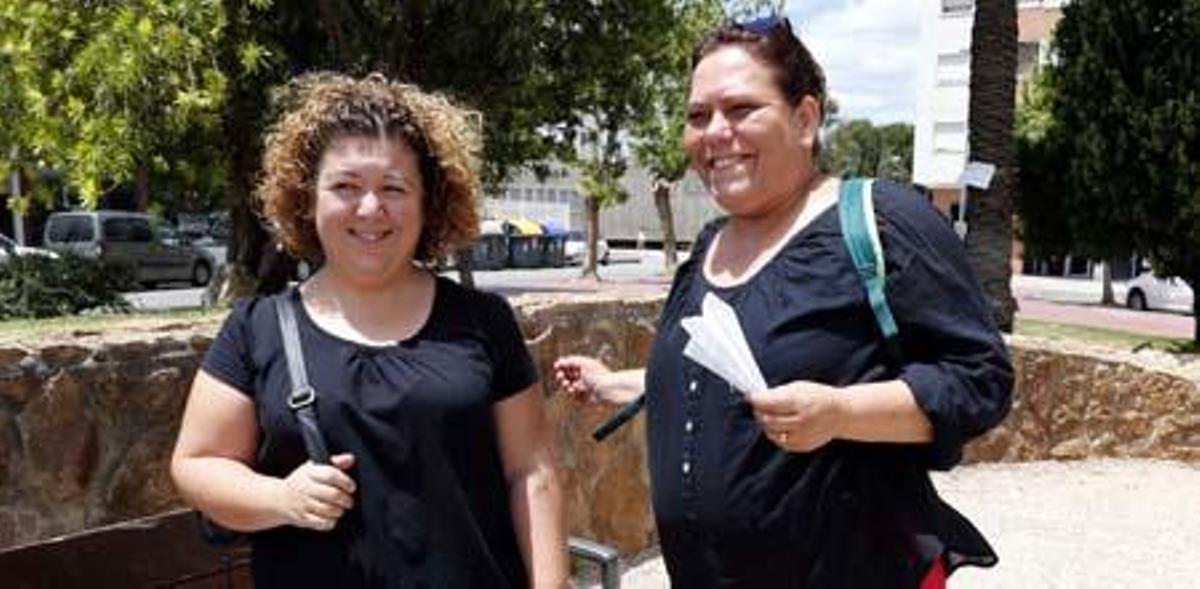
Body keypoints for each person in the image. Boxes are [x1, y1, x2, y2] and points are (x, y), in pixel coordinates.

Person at [554, 17, 1012, 588]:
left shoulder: (882, 221)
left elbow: (980, 381)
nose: (715, 133)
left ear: (805, 118)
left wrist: (840, 412)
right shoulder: (709, 246)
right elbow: (728, 376)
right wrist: (618, 384)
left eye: (742, 109)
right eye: (698, 116)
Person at [172, 73, 568, 588]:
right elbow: (197, 464)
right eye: (345, 186)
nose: (369, 209)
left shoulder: (483, 322)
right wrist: (281, 499)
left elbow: (531, 474)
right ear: (307, 198)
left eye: (394, 188)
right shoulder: (258, 328)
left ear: (429, 203)